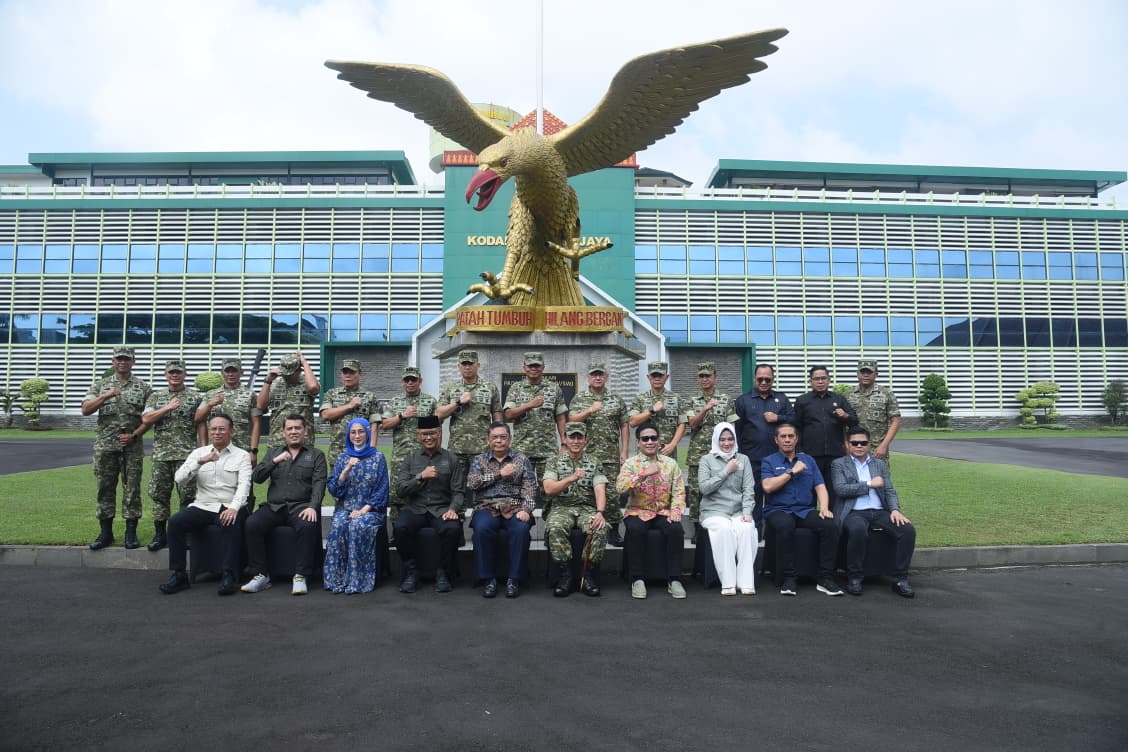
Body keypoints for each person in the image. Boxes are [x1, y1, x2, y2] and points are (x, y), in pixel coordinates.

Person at [159, 414, 252, 596]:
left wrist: (234, 507)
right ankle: (178, 575)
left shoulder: (241, 456)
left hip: (229, 504)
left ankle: (229, 575)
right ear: (208, 432)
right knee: (176, 522)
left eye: (222, 429)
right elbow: (179, 479)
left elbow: (244, 485)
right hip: (203, 505)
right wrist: (200, 462)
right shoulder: (199, 453)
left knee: (230, 523)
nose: (217, 433)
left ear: (231, 431)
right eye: (213, 429)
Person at [242, 414, 327, 595]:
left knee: (308, 524)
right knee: (252, 523)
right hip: (274, 507)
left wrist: (313, 506)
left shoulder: (315, 455)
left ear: (305, 431)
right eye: (290, 428)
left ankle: (301, 575)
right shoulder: (273, 452)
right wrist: (275, 461)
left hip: (301, 507)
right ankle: (260, 575)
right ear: (283, 432)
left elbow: (319, 483)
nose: (294, 432)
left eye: (298, 428)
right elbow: (257, 478)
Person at [831, 428, 916, 598]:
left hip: (879, 511)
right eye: (855, 443)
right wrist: (869, 484)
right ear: (848, 445)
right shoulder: (839, 464)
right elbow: (840, 489)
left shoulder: (879, 464)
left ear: (869, 444)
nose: (859, 446)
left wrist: (894, 510)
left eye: (863, 443)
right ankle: (855, 577)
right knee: (857, 530)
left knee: (907, 530)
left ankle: (900, 579)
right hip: (854, 511)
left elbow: (889, 490)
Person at [81, 346, 152, 550]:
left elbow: (149, 418)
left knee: (132, 490)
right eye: (119, 359)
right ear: (113, 361)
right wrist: (106, 396)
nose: (123, 362)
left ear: (133, 362)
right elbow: (85, 409)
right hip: (106, 447)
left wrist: (135, 435)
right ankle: (106, 533)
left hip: (132, 448)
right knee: (105, 489)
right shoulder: (100, 386)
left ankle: (130, 532)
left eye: (127, 359)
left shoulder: (143, 388)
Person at [761, 422, 842, 597]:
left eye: (791, 436)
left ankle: (825, 578)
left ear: (797, 439)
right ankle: (789, 578)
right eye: (783, 436)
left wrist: (825, 508)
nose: (787, 440)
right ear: (776, 440)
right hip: (778, 509)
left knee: (830, 526)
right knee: (785, 526)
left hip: (805, 510)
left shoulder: (809, 460)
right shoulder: (769, 461)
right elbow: (767, 487)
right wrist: (792, 472)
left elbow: (820, 486)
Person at [394, 415, 465, 594]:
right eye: (424, 434)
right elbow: (401, 490)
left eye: (432, 433)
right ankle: (411, 571)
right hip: (415, 509)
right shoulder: (410, 458)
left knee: (452, 528)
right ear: (418, 435)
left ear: (439, 433)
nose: (429, 438)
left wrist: (452, 509)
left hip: (441, 508)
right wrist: (420, 477)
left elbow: (458, 491)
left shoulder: (451, 459)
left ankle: (443, 573)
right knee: (400, 527)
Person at [616, 421, 687, 599]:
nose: (649, 442)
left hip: (663, 511)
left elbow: (679, 491)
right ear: (638, 442)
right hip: (638, 511)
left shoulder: (670, 464)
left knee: (675, 529)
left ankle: (674, 579)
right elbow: (620, 487)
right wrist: (642, 474)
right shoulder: (631, 464)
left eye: (653, 438)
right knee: (636, 529)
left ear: (659, 441)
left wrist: (676, 510)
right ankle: (637, 578)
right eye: (645, 439)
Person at [466, 422, 537, 598]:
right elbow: (472, 483)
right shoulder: (479, 460)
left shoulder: (521, 460)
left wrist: (526, 510)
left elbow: (530, 488)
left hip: (514, 507)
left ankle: (514, 579)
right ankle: (488, 579)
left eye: (503, 437)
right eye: (495, 437)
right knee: (482, 528)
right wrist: (499, 474)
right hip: (486, 506)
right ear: (488, 440)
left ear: (510, 439)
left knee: (521, 529)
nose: (499, 441)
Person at [140, 359, 203, 552]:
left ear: (185, 374)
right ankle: (160, 535)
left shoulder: (195, 397)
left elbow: (200, 423)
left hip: (187, 455)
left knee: (188, 496)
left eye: (178, 372)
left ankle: (186, 534)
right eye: (171, 372)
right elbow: (146, 418)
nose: (175, 375)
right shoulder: (156, 397)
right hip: (162, 455)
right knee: (159, 495)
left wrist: (204, 449)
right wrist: (167, 407)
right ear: (165, 375)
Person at [542, 422, 609, 597]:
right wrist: (571, 478)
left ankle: (587, 576)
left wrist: (600, 512)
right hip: (561, 507)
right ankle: (566, 575)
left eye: (580, 437)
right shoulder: (553, 462)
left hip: (586, 508)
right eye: (572, 437)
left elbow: (600, 489)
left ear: (586, 439)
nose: (576, 441)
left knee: (599, 529)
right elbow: (549, 489)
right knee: (555, 527)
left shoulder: (594, 462)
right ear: (564, 439)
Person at [323, 417, 389, 594]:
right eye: (353, 432)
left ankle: (358, 580)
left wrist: (363, 510)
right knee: (339, 525)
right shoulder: (342, 458)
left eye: (361, 432)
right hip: (346, 508)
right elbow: (335, 491)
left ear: (367, 434)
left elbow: (382, 490)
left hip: (370, 510)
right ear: (348, 435)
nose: (357, 436)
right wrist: (345, 471)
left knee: (357, 525)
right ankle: (336, 579)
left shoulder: (377, 457)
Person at [567, 362, 628, 545]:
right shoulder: (580, 398)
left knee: (612, 494)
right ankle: (588, 528)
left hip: (610, 455)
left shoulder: (616, 398)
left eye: (601, 374)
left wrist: (624, 451)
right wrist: (590, 410)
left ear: (606, 377)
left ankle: (613, 531)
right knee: (585, 492)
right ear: (588, 377)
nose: (598, 377)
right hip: (586, 456)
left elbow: (624, 425)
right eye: (594, 375)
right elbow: (572, 419)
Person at [697, 422, 758, 596]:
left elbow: (748, 488)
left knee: (747, 529)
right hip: (713, 511)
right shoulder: (706, 460)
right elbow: (704, 488)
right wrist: (726, 471)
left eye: (730, 439)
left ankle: (745, 582)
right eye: (722, 439)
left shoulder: (743, 459)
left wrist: (747, 511)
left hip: (738, 511)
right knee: (724, 530)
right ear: (716, 440)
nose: (726, 443)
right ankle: (728, 582)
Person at [733, 363, 794, 525]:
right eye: (760, 379)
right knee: (753, 497)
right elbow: (736, 431)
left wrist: (778, 418)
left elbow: (795, 420)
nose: (764, 382)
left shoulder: (781, 398)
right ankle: (755, 534)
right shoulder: (743, 400)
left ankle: (774, 534)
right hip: (752, 458)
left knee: (779, 497)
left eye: (767, 379)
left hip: (778, 459)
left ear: (773, 379)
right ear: (754, 378)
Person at [380, 366, 438, 520]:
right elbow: (384, 424)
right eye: (407, 380)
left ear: (420, 381)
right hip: (401, 456)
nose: (410, 383)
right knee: (397, 494)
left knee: (425, 490)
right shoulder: (394, 401)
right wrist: (401, 416)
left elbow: (437, 428)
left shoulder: (430, 401)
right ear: (402, 382)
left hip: (425, 456)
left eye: (414, 380)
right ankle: (397, 530)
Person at [435, 350, 502, 480]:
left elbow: (497, 416)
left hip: (483, 449)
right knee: (458, 487)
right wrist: (458, 402)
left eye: (471, 364)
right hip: (457, 449)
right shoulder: (451, 387)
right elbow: (438, 414)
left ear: (478, 365)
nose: (467, 367)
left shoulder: (490, 388)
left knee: (484, 485)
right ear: (459, 366)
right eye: (464, 364)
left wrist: (497, 442)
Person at [684, 362, 737, 522]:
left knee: (721, 487)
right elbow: (692, 424)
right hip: (698, 454)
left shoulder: (726, 400)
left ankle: (719, 519)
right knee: (695, 490)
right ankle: (696, 525)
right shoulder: (692, 400)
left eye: (708, 376)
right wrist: (705, 409)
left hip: (721, 454)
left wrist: (731, 451)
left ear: (715, 377)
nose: (705, 379)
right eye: (701, 376)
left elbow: (731, 426)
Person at [793, 365, 858, 493]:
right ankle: (812, 513)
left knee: (834, 490)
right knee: (810, 490)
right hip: (810, 454)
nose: (820, 382)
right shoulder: (802, 401)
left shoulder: (839, 399)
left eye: (823, 378)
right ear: (810, 381)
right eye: (816, 379)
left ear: (829, 380)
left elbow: (855, 421)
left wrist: (845, 415)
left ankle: (832, 513)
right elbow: (796, 427)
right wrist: (799, 450)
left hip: (835, 453)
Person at [195, 358, 262, 469]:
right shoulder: (211, 394)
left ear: (241, 373)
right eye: (227, 371)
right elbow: (198, 418)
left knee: (243, 483)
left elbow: (256, 424)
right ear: (222, 373)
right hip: (216, 451)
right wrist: (210, 404)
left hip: (242, 449)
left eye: (234, 371)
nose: (230, 374)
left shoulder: (250, 395)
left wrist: (253, 451)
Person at [257, 351, 320, 449]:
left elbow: (313, 388)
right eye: (284, 374)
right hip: (277, 441)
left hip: (303, 442)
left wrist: (304, 362)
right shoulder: (274, 383)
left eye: (290, 374)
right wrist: (268, 381)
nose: (287, 377)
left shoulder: (307, 382)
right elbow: (261, 405)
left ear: (299, 370)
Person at [319, 359, 379, 460]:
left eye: (351, 372)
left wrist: (372, 449)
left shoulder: (369, 396)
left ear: (360, 374)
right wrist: (350, 406)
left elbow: (374, 425)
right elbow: (325, 415)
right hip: (337, 452)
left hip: (362, 452)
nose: (347, 375)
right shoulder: (332, 394)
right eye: (345, 372)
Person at [628, 361, 686, 459]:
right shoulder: (640, 398)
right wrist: (651, 410)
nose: (657, 378)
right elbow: (632, 422)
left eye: (660, 375)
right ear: (648, 377)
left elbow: (682, 423)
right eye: (654, 375)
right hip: (645, 453)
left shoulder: (676, 398)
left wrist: (673, 445)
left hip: (667, 452)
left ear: (666, 377)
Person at [847, 359, 902, 462]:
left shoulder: (886, 394)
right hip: (854, 449)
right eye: (863, 372)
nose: (866, 375)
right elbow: (842, 424)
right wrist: (846, 445)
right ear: (857, 374)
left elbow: (895, 421)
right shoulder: (848, 395)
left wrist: (884, 445)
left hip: (877, 450)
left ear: (876, 374)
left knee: (879, 477)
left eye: (869, 372)